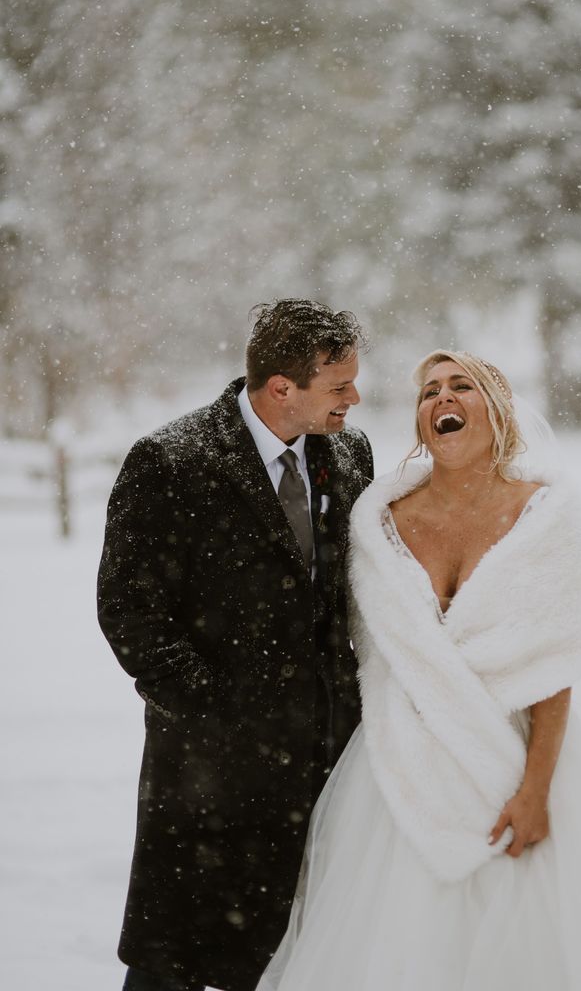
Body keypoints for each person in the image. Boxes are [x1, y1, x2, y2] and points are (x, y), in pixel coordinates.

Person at [256, 349, 581, 991]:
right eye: (428, 393)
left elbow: (555, 665)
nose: (441, 400)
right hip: (399, 767)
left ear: (498, 409)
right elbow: (369, 653)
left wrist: (534, 792)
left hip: (516, 759)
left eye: (461, 387)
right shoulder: (380, 523)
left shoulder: (545, 515)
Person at [97, 299, 374, 991]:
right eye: (338, 385)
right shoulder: (169, 459)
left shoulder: (350, 451)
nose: (355, 397)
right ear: (282, 388)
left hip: (324, 761)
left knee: (292, 956)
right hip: (205, 771)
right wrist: (215, 713)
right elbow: (130, 612)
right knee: (176, 960)